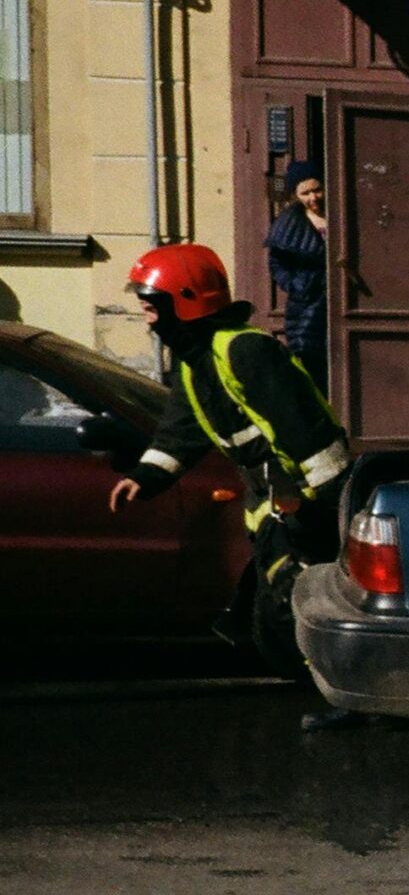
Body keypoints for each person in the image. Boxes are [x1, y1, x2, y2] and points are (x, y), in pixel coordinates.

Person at [107, 242, 352, 714]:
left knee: (307, 597)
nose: (149, 319)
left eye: (152, 307)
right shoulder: (194, 361)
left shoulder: (244, 350)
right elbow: (182, 428)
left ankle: (349, 697)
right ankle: (327, 688)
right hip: (269, 496)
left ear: (184, 300)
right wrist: (145, 476)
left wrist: (313, 504)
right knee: (278, 599)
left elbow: (303, 430)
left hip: (304, 495)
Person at [264, 161, 329, 389]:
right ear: (296, 194)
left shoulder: (339, 216)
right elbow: (277, 264)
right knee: (311, 364)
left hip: (336, 298)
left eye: (317, 189)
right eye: (306, 193)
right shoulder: (289, 224)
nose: (313, 198)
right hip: (307, 304)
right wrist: (296, 285)